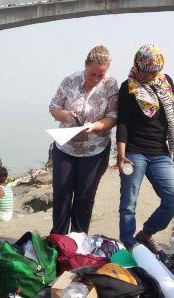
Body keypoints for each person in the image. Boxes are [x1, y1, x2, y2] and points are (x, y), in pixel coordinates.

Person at [116, 44, 174, 254]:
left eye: (154, 71)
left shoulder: (166, 82)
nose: (150, 75)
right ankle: (128, 245)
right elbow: (123, 123)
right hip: (134, 151)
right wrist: (121, 155)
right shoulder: (128, 86)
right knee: (128, 203)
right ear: (138, 65)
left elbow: (170, 116)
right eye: (146, 71)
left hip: (160, 152)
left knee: (173, 199)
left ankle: (146, 234)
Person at [49, 45, 119, 235]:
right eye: (93, 74)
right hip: (65, 148)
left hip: (95, 150)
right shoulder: (70, 79)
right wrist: (65, 115)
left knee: (85, 197)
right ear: (85, 65)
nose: (96, 79)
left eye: (101, 75)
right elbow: (53, 107)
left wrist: (95, 127)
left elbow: (113, 117)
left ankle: (78, 239)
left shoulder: (111, 85)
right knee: (61, 196)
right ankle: (59, 239)